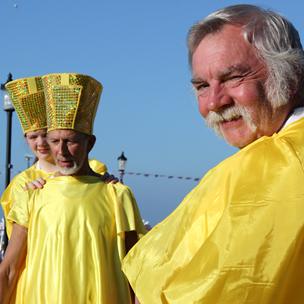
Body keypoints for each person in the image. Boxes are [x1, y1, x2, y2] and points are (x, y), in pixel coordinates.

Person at [122, 4, 304, 303]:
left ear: (290, 73)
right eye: (202, 86)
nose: (214, 102)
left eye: (233, 77)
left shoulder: (272, 165)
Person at [0, 73, 146, 304]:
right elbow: (8, 270)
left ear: (90, 143)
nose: (62, 151)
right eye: (55, 141)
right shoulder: (31, 194)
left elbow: (138, 272)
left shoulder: (118, 195)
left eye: (70, 141)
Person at [0, 76, 113, 240]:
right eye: (33, 137)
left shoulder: (95, 169)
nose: (41, 143)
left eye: (46, 136)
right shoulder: (22, 184)